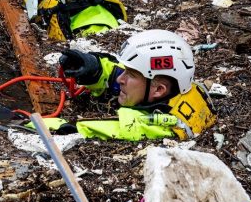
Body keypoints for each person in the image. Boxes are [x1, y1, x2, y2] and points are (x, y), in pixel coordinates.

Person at [58, 29, 216, 141]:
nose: (120, 79)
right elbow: (132, 77)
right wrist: (96, 69)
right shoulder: (176, 88)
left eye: (130, 75)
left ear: (159, 90)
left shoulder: (162, 125)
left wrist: (41, 123)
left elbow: (94, 127)